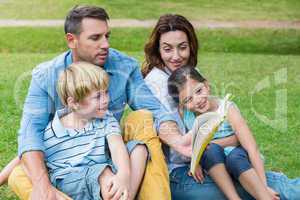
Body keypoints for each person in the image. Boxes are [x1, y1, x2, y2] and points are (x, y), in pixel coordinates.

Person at [4, 5, 190, 200]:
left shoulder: (124, 66)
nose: (105, 44)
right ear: (72, 40)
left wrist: (177, 140)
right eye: (95, 38)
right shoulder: (46, 76)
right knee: (19, 175)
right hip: (65, 166)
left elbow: (156, 111)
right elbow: (30, 134)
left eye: (107, 36)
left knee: (142, 119)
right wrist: (42, 184)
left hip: (108, 152)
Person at [143, 14, 300, 200]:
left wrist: (232, 139)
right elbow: (186, 146)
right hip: (183, 173)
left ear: (191, 46)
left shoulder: (189, 74)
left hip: (217, 161)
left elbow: (214, 131)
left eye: (182, 47)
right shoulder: (157, 84)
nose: (176, 56)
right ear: (158, 50)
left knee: (250, 175)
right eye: (167, 49)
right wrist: (234, 139)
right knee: (268, 187)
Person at [168, 66, 281, 200]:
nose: (197, 100)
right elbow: (193, 142)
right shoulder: (187, 115)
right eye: (188, 100)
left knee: (234, 157)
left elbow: (252, 148)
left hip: (238, 157)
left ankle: (264, 196)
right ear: (182, 105)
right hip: (214, 162)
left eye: (199, 91)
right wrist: (195, 161)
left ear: (206, 85)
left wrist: (264, 187)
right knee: (210, 151)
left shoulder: (226, 109)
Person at [45, 61, 136, 199]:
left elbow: (117, 146)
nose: (105, 100)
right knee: (103, 173)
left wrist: (123, 174)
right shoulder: (52, 131)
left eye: (106, 93)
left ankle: (127, 194)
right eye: (98, 96)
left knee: (138, 149)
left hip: (103, 171)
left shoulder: (105, 118)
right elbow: (26, 156)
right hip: (71, 180)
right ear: (74, 103)